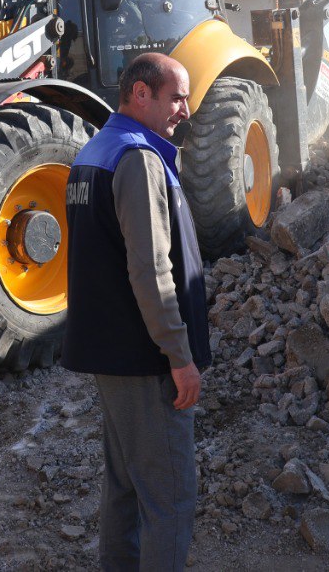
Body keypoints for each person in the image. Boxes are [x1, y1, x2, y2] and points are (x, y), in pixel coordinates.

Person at [62, 52, 210, 571]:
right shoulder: (139, 159)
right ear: (141, 94)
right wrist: (179, 355)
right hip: (147, 361)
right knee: (170, 498)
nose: (185, 111)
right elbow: (150, 270)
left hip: (113, 356)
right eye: (177, 98)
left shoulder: (93, 152)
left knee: (125, 486)